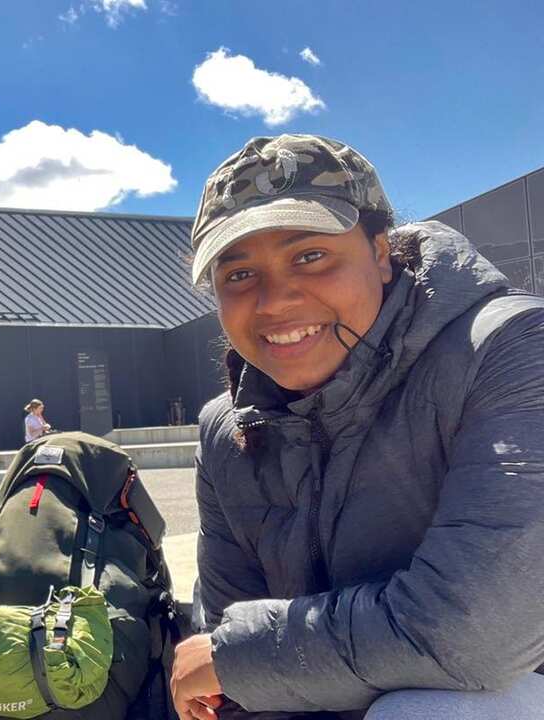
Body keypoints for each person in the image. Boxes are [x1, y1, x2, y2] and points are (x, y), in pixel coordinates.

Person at [170, 134, 544, 719]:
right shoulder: (227, 429)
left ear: (380, 252)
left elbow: (476, 633)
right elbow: (228, 673)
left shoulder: (509, 351)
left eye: (309, 256)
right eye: (239, 273)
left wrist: (243, 658)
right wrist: (238, 670)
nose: (274, 301)